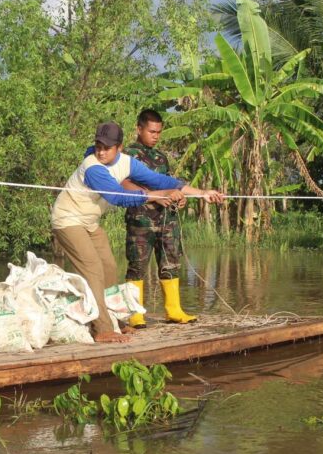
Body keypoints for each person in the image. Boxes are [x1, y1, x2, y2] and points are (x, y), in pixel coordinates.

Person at [51, 121, 188, 343]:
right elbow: (118, 197)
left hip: (89, 221)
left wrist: (197, 191)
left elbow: (158, 180)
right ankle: (102, 329)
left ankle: (116, 321)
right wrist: (158, 195)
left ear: (119, 147)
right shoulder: (93, 167)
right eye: (98, 146)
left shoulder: (127, 163)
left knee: (109, 266)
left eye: (107, 147)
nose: (101, 151)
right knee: (93, 269)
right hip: (67, 220)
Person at [121, 109, 224, 328]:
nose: (155, 135)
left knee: (170, 263)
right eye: (151, 131)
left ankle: (174, 310)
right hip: (141, 220)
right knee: (137, 265)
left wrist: (182, 197)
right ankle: (135, 313)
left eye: (159, 132)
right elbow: (124, 185)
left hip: (167, 219)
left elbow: (169, 184)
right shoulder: (128, 155)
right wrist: (157, 197)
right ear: (139, 129)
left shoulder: (161, 157)